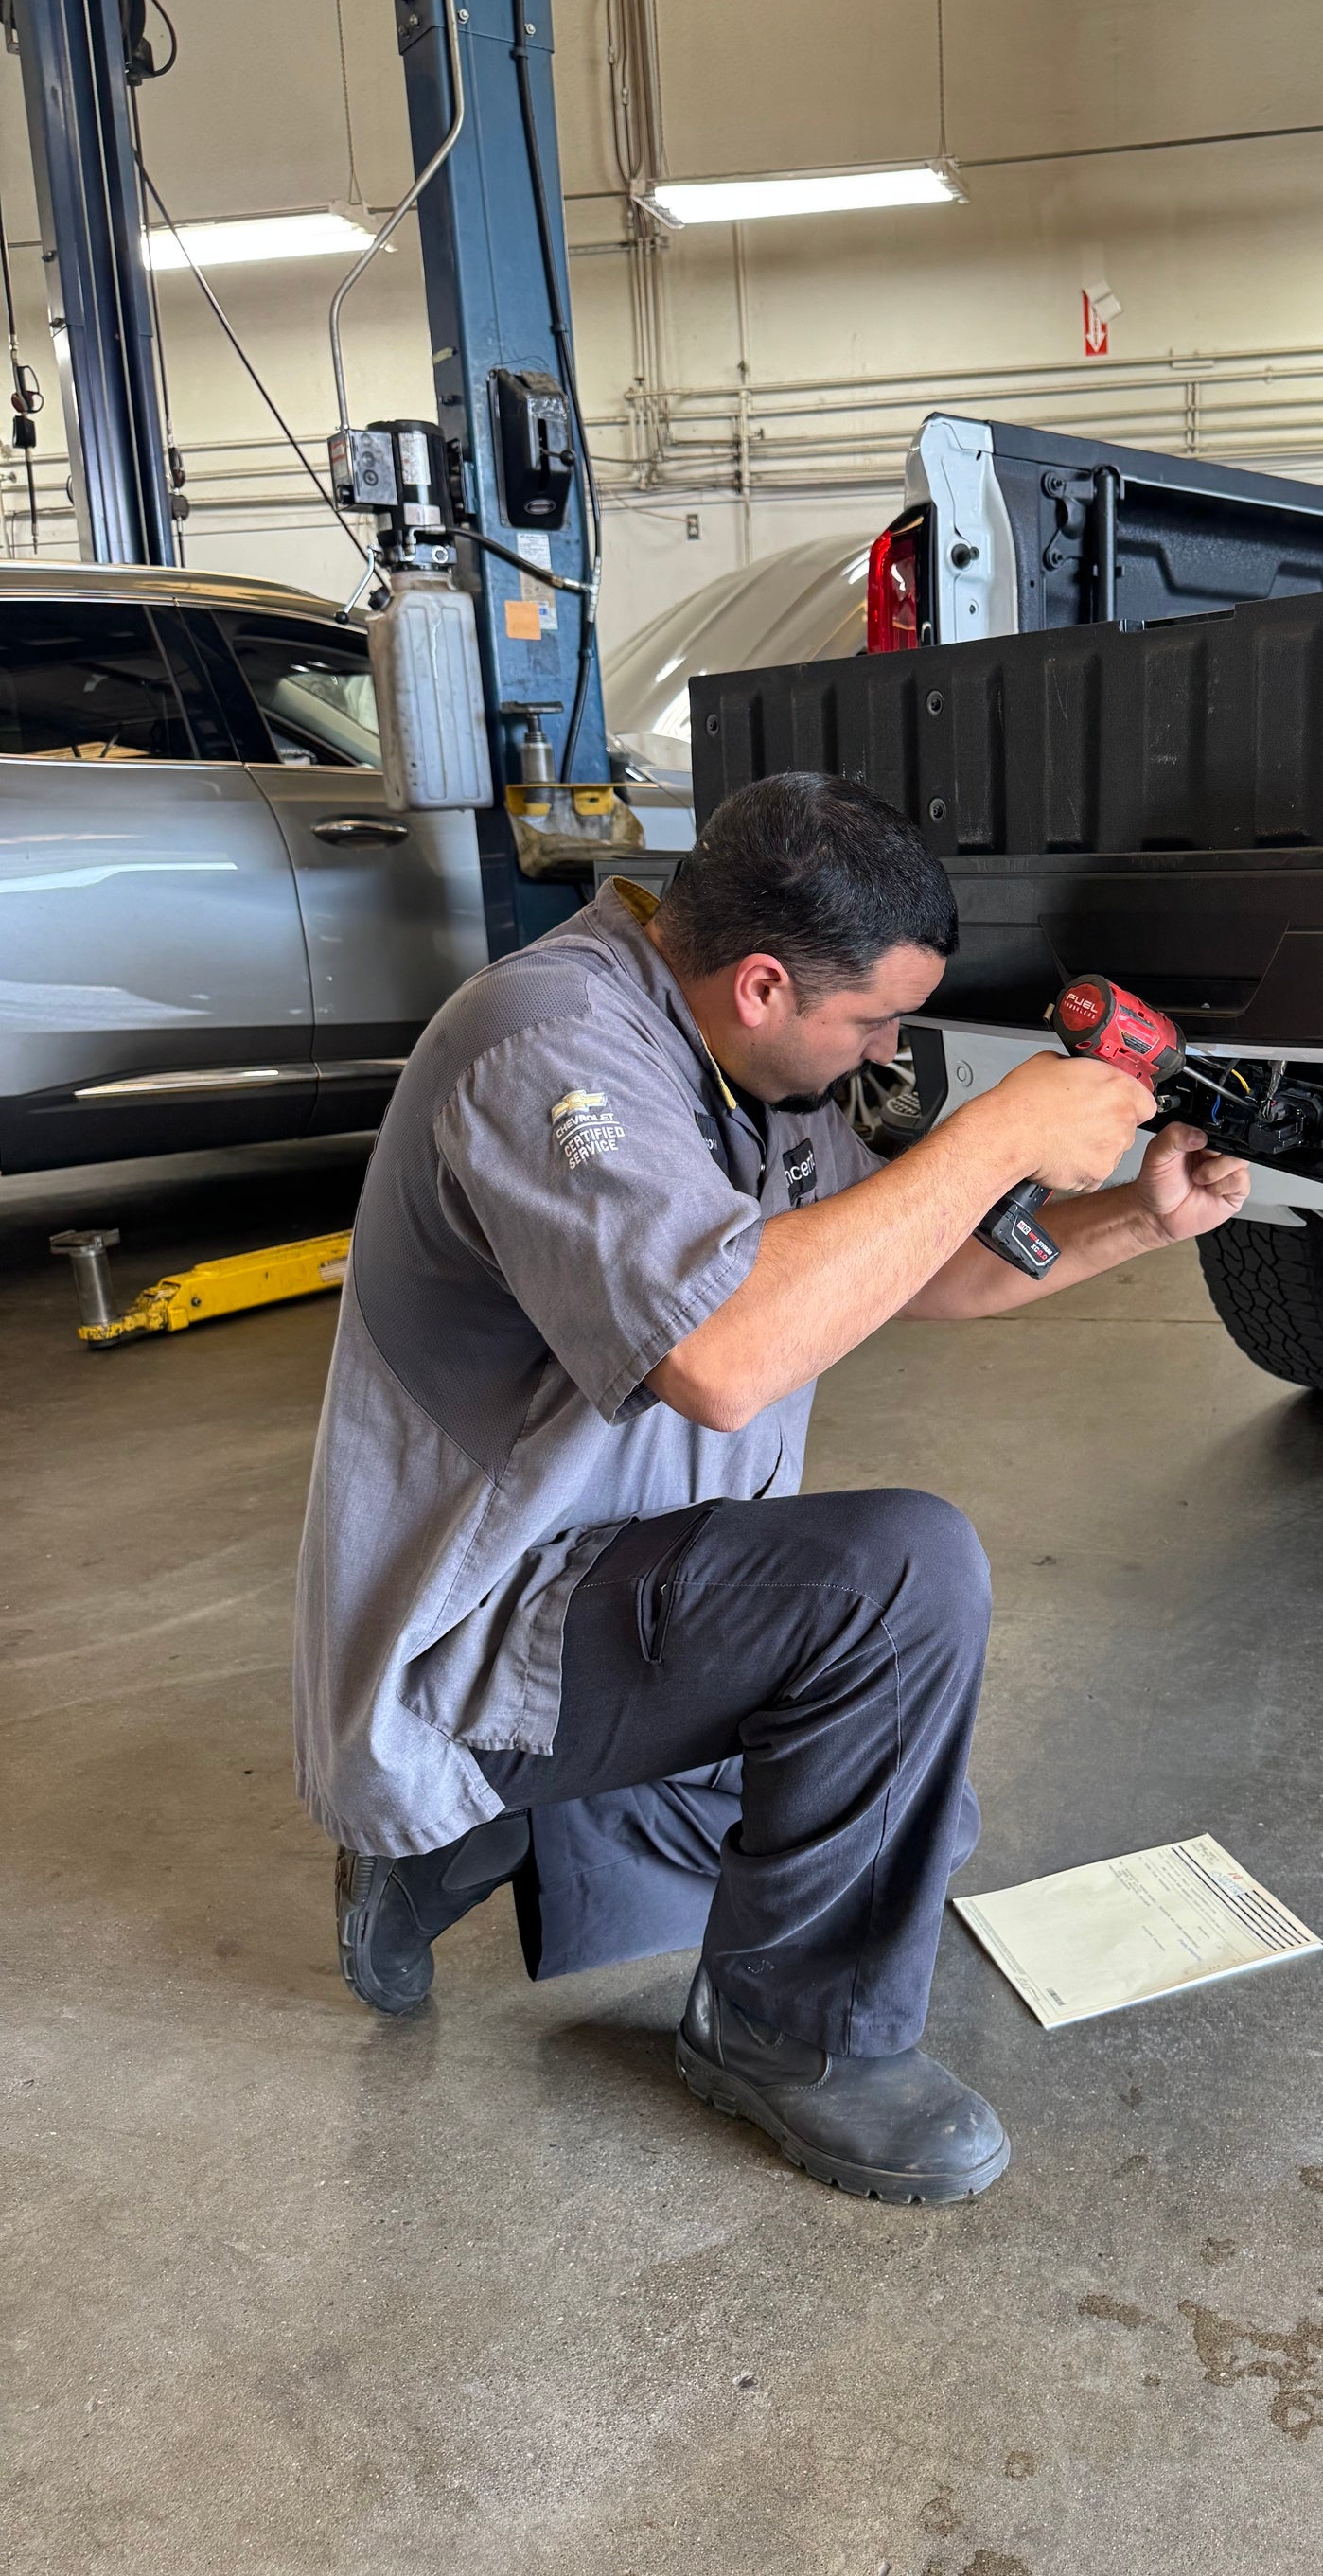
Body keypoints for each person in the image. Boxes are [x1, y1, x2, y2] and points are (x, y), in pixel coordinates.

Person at [295, 769, 1249, 2204]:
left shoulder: (745, 1068)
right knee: (901, 1578)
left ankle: (487, 1827)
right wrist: (993, 1133)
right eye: (872, 1020)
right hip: (485, 1621)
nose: (884, 1046)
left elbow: (898, 1261)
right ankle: (780, 2034)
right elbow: (723, 1358)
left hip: (629, 1577)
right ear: (759, 984)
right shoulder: (544, 1044)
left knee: (908, 1819)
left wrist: (1131, 1215)